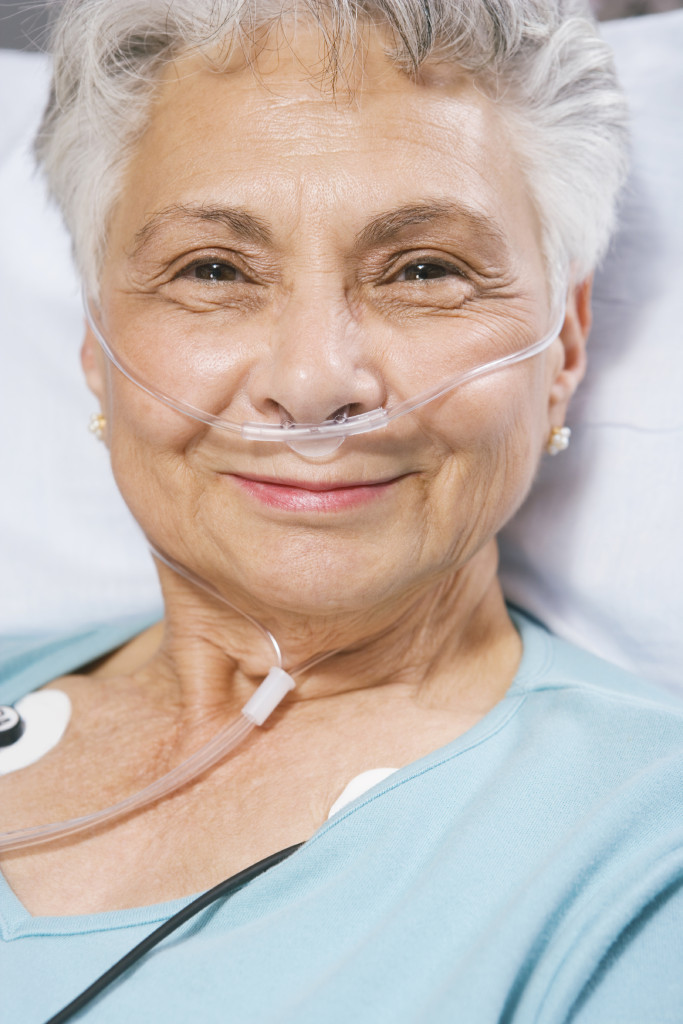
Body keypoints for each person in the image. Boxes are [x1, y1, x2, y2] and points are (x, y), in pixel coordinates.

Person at [1, 1, 682, 1021]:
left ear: (566, 344)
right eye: (214, 270)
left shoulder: (643, 849)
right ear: (99, 345)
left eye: (423, 270)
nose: (314, 380)